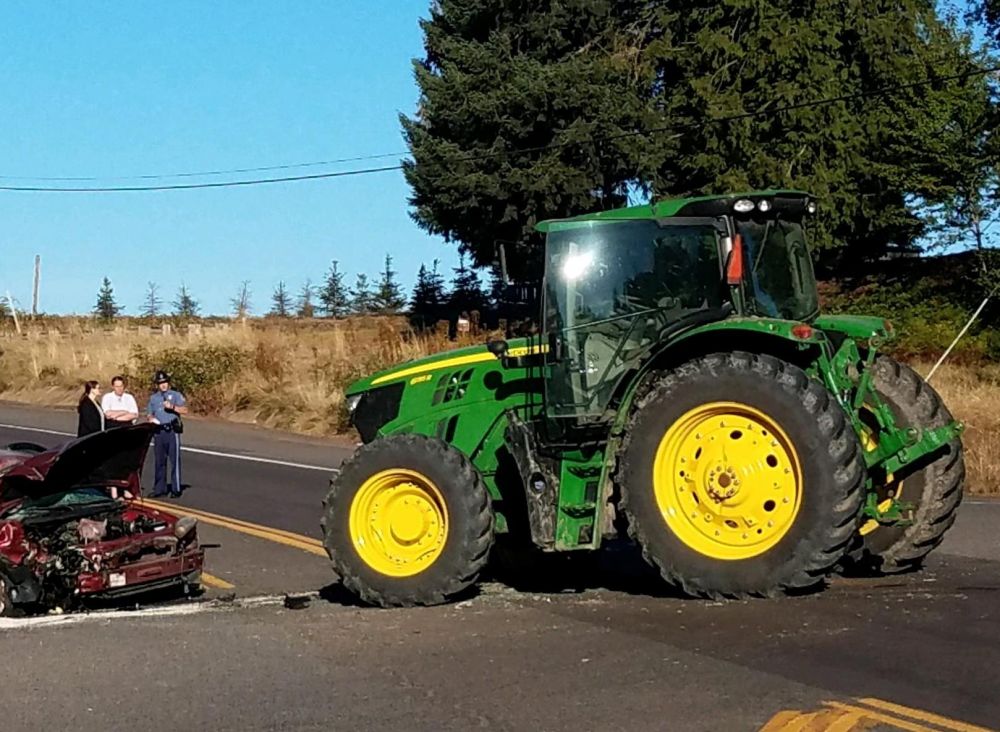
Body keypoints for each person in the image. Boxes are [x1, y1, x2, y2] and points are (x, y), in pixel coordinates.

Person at [147, 370, 189, 498]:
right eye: (160, 383)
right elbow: (150, 413)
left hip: (172, 430)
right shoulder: (154, 398)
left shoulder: (175, 395)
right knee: (159, 461)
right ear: (157, 385)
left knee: (174, 460)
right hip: (159, 431)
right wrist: (150, 419)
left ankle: (176, 489)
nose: (163, 385)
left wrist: (173, 408)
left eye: (165, 382)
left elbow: (185, 410)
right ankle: (160, 488)